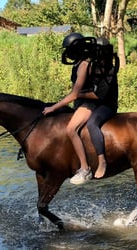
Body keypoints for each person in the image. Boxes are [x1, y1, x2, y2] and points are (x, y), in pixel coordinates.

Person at [42, 32, 97, 185]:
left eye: (68, 49)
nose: (67, 53)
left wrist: (54, 107)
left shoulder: (84, 65)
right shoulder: (77, 64)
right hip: (80, 102)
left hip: (90, 103)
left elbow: (75, 93)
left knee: (71, 129)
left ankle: (85, 169)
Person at [78, 37, 119, 178]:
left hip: (106, 105)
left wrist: (78, 94)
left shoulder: (110, 70)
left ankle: (102, 160)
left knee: (92, 123)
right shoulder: (93, 66)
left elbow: (98, 96)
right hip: (92, 103)